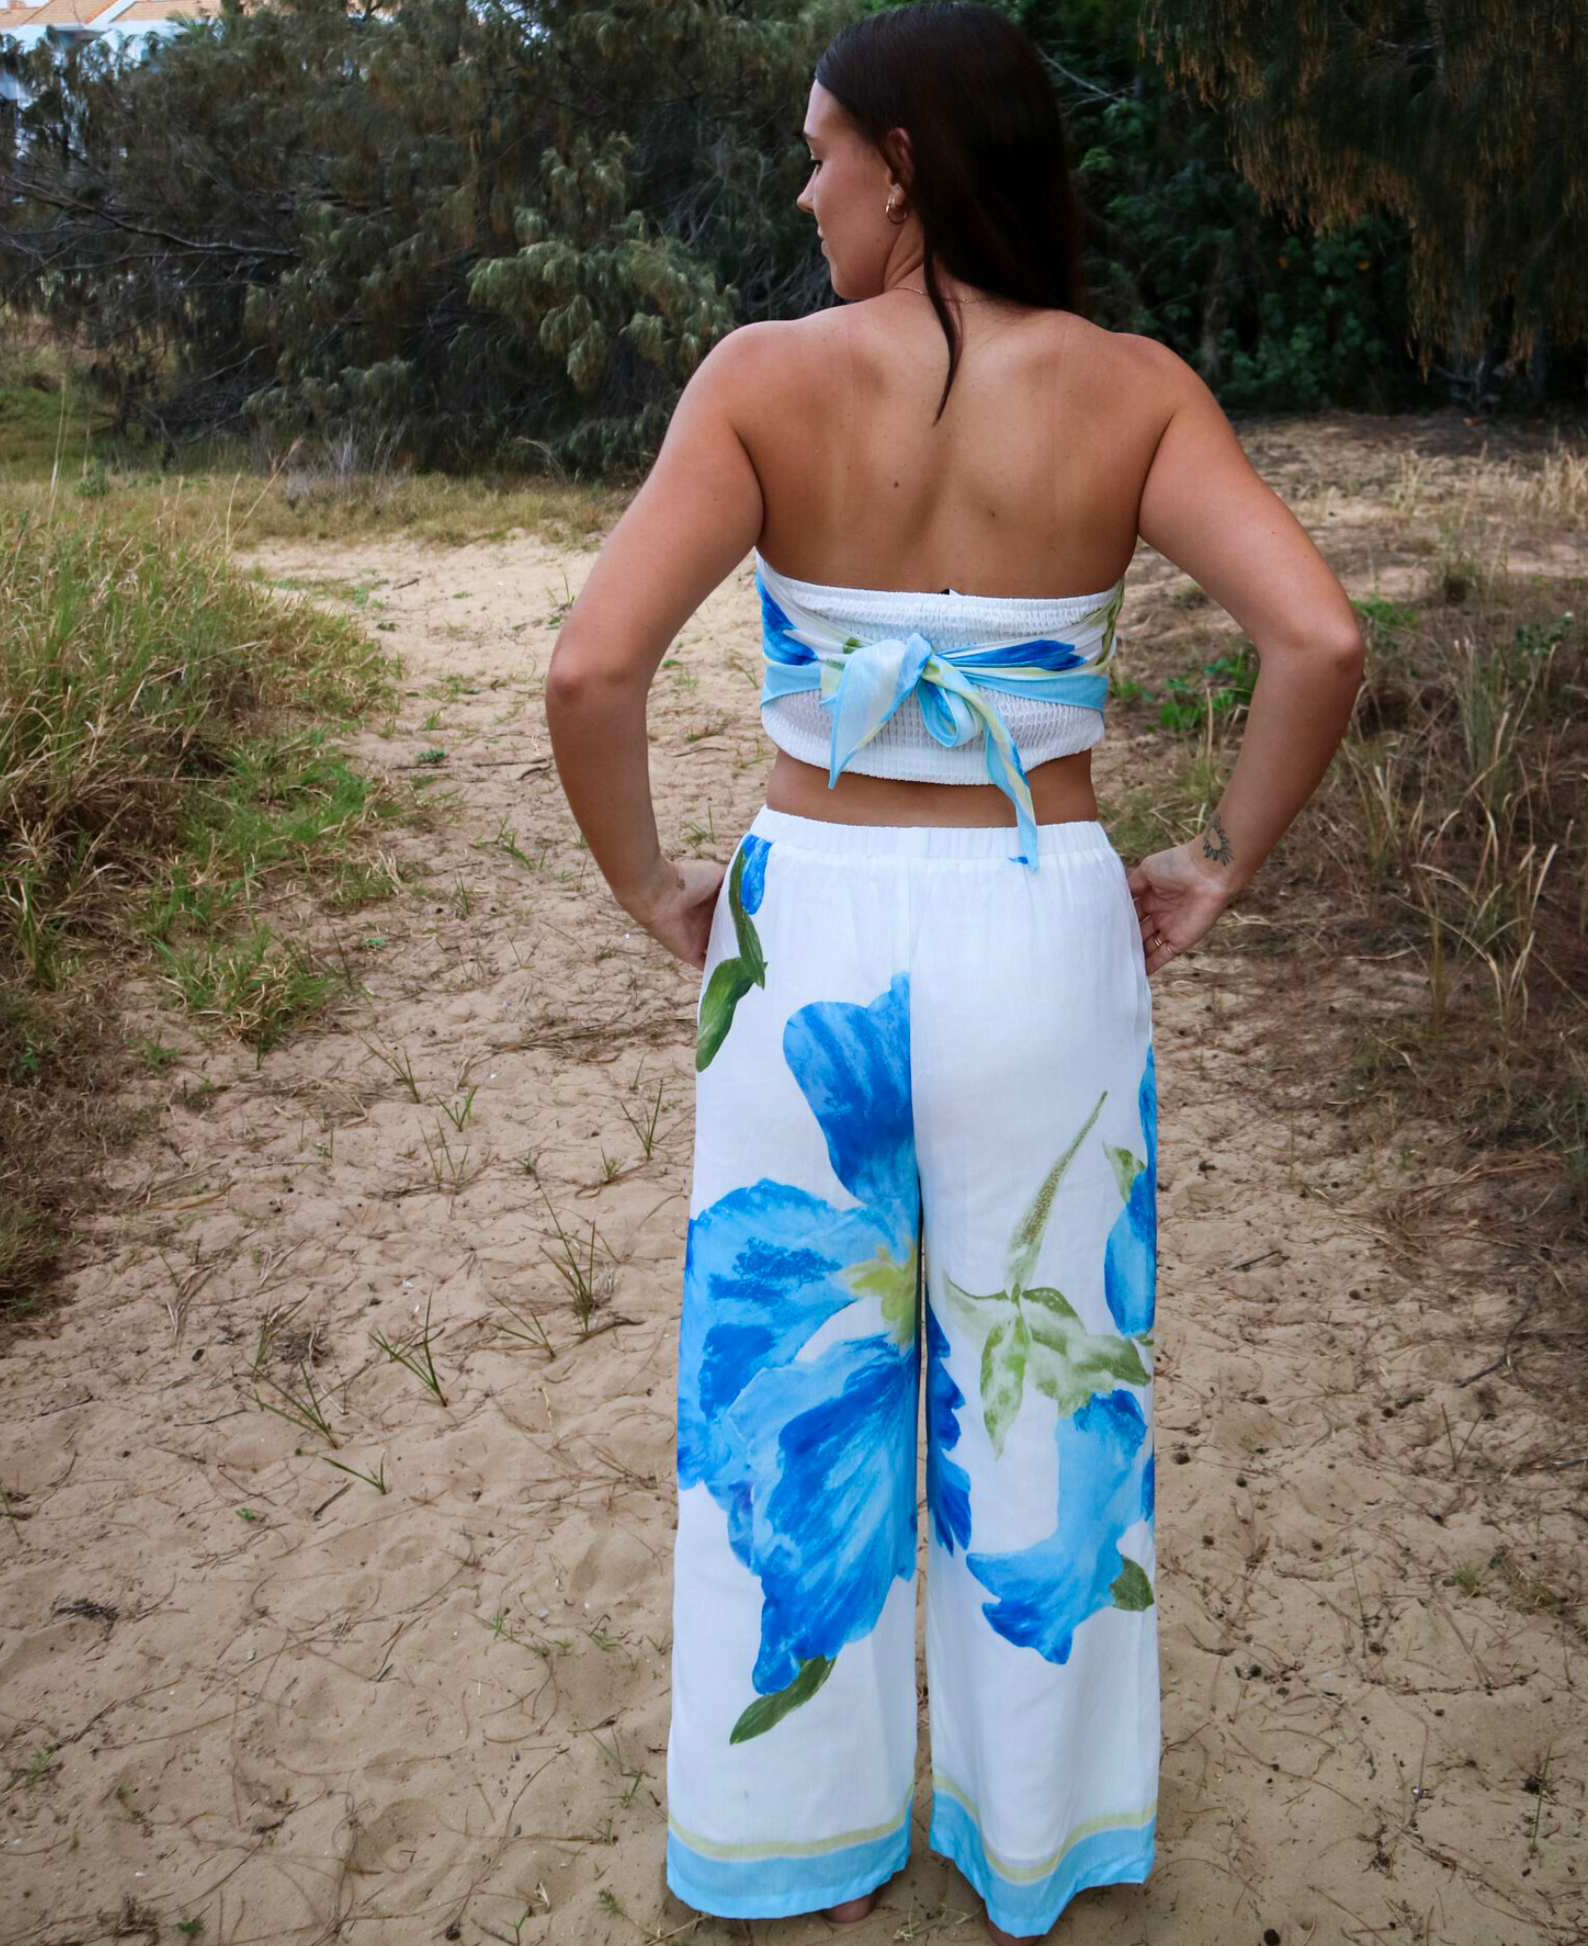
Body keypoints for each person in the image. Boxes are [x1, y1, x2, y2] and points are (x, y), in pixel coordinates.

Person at [543, 6, 1363, 1937]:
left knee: (776, 1391)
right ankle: (1042, 1834)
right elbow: (1315, 643)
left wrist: (662, 888)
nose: (805, 185)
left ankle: (781, 1833)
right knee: (1041, 1384)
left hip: (807, 920)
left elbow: (589, 671)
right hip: (1043, 923)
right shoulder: (1131, 388)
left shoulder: (757, 381)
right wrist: (1216, 859)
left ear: (904, 158)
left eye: (823, 149)